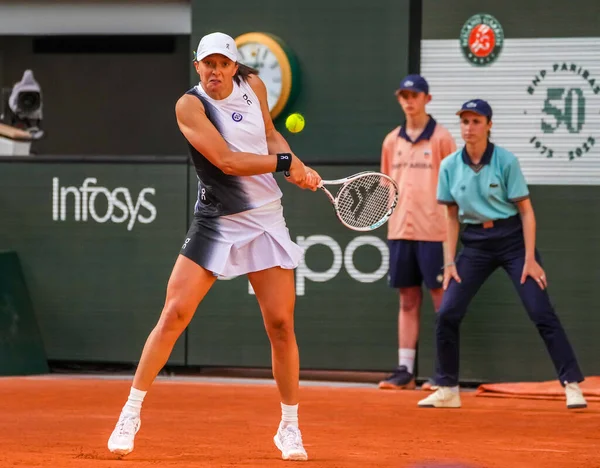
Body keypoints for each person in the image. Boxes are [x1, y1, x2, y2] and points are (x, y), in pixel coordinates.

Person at [107, 32, 321, 461]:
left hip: (265, 219)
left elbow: (270, 135)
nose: (216, 72)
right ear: (197, 65)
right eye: (209, 64)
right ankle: (129, 413)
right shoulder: (190, 106)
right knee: (174, 314)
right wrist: (282, 163)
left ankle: (289, 428)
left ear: (235, 66)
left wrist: (294, 163)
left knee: (281, 325)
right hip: (217, 220)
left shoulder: (253, 85)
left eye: (224, 64)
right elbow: (226, 161)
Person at [417, 99, 587, 409]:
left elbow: (526, 212)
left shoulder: (506, 161)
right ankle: (448, 388)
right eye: (465, 121)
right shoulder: (449, 166)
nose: (469, 127)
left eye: (476, 121)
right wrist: (450, 261)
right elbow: (451, 217)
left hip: (512, 241)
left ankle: (572, 384)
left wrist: (530, 258)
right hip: (475, 244)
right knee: (447, 313)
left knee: (541, 312)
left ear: (489, 125)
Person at [379, 75, 456, 391]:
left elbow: (453, 189)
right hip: (400, 231)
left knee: (443, 302)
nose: (409, 101)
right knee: (407, 300)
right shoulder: (390, 141)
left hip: (435, 233)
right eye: (404, 96)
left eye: (415, 95)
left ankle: (443, 372)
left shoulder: (442, 139)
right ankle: (405, 371)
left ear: (427, 99)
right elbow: (385, 185)